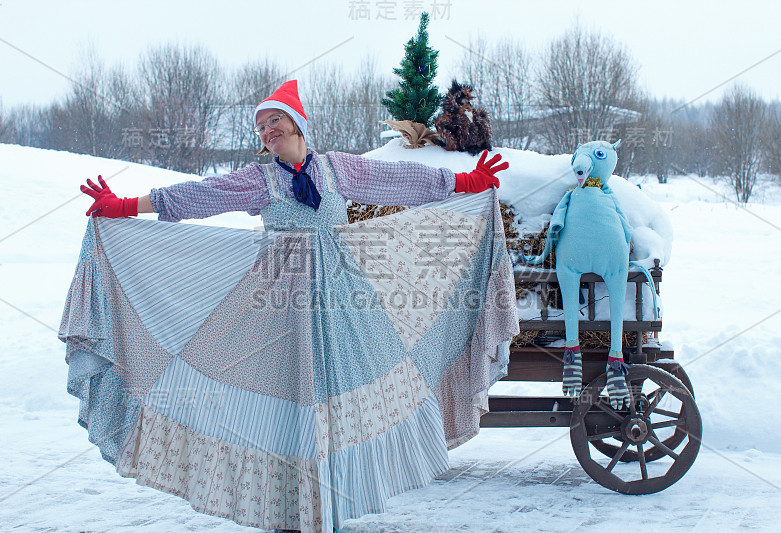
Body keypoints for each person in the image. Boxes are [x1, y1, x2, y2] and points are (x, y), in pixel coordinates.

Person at [64, 80, 519, 533]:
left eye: (273, 121)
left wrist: (463, 182)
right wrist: (124, 206)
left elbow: (401, 181)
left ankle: (330, 505)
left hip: (341, 308)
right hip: (279, 309)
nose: (266, 132)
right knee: (288, 406)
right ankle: (290, 509)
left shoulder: (338, 170)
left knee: (336, 405)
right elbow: (199, 196)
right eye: (260, 127)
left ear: (298, 123)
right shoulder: (260, 180)